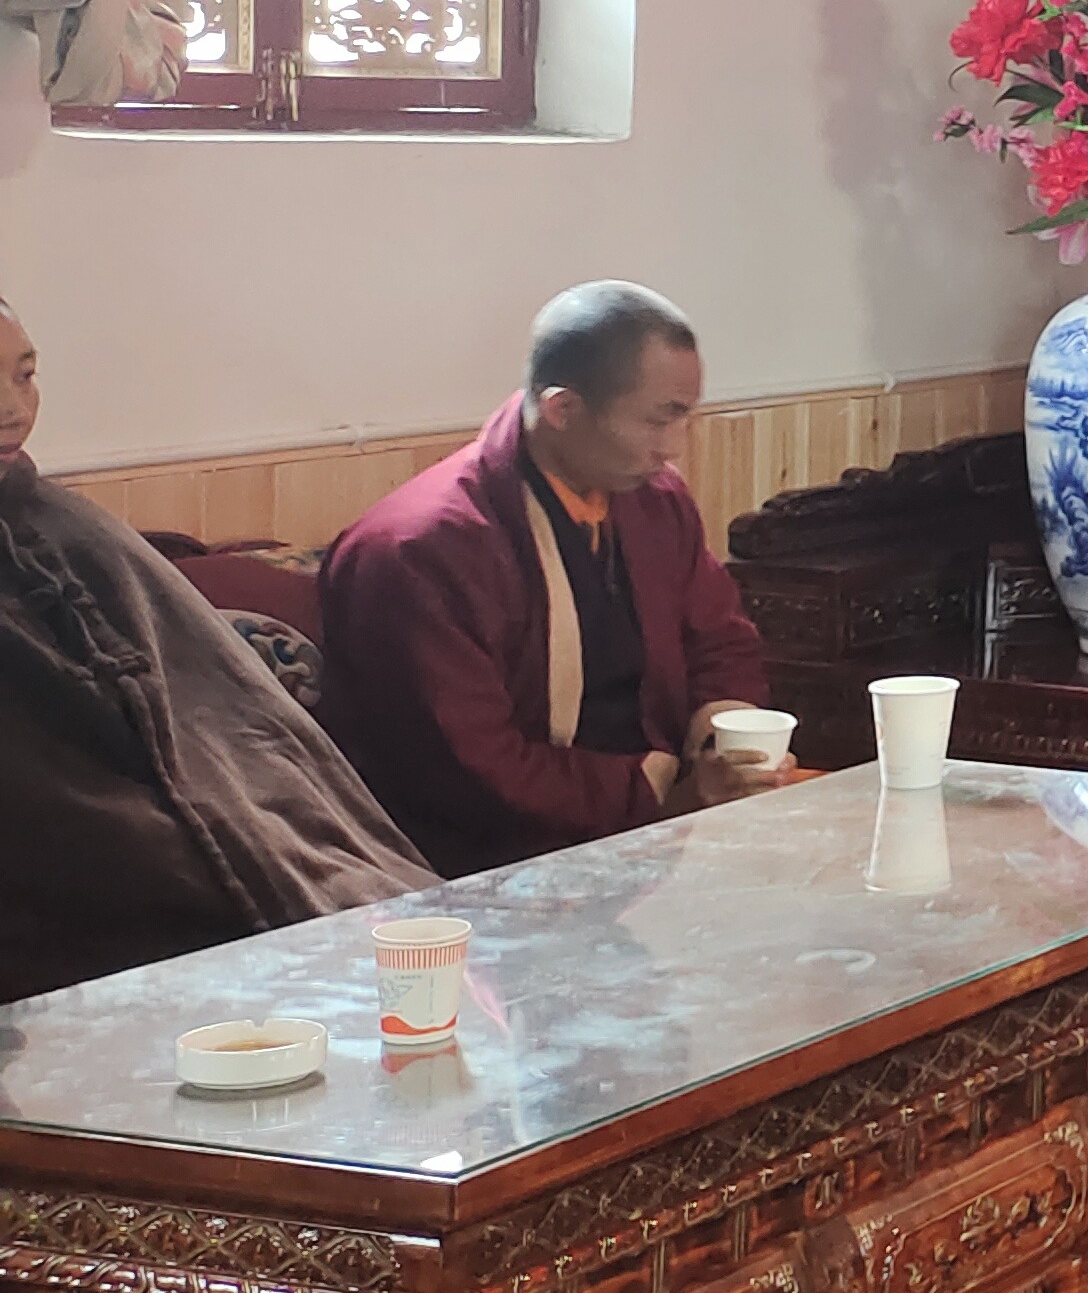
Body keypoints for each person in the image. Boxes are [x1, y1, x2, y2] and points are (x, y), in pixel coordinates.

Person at [0, 298, 434, 1002]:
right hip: (94, 928)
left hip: (269, 863)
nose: (13, 410)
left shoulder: (73, 528)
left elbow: (251, 732)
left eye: (25, 376)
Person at [317, 283, 785, 877]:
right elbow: (471, 766)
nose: (674, 450)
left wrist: (723, 746)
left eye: (683, 417)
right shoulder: (420, 550)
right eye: (657, 421)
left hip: (656, 831)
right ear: (563, 410)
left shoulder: (653, 501)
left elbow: (719, 639)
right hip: (477, 866)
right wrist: (660, 792)